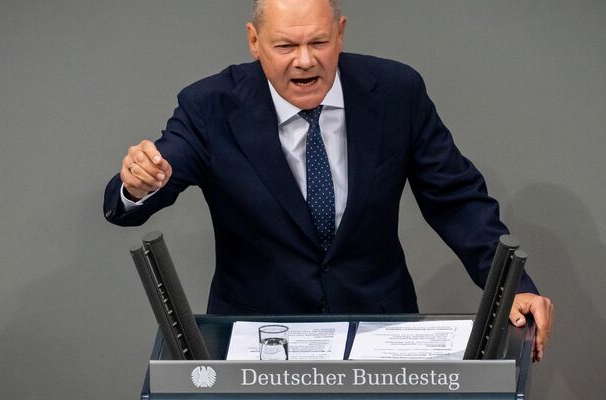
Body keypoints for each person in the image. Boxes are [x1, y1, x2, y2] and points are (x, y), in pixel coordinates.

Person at [103, 0, 553, 361]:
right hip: (259, 343)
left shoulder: (396, 91)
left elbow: (457, 201)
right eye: (285, 47)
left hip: (380, 337)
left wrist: (513, 289)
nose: (304, 61)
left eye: (319, 42)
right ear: (254, 41)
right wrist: (138, 184)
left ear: (340, 32)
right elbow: (158, 171)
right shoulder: (209, 106)